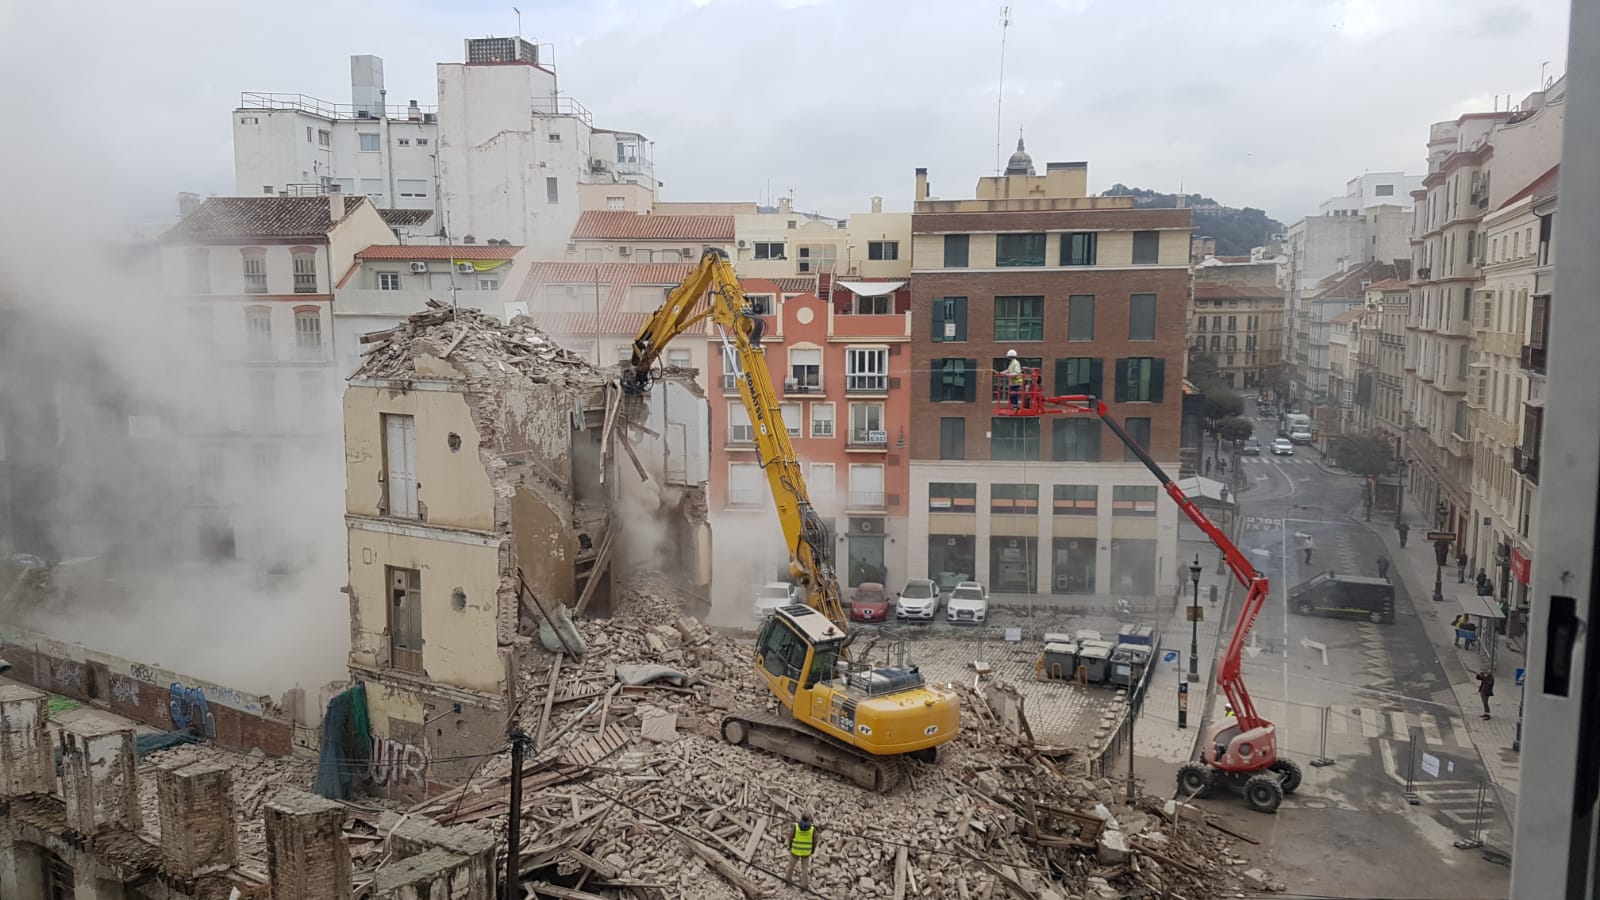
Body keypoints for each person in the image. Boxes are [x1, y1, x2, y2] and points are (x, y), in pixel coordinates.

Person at [786, 813, 817, 887]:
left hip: (795, 850)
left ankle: (787, 881)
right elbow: (815, 841)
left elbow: (790, 837)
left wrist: (790, 847)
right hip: (806, 852)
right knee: (805, 869)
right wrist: (812, 850)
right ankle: (804, 885)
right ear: (809, 819)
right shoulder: (812, 829)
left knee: (791, 866)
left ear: (801, 818)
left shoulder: (796, 826)